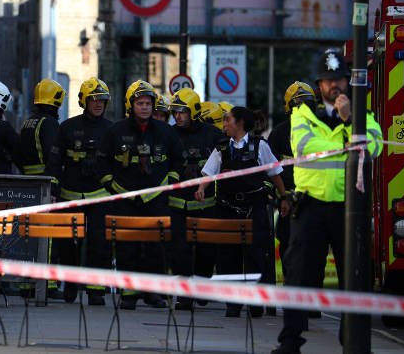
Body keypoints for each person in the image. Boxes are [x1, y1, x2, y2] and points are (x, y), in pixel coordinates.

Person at [271, 51, 383, 354]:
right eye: (328, 80)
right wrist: (347, 143)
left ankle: (354, 343)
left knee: (354, 279)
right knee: (298, 276)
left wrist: (349, 121)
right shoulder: (303, 114)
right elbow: (306, 147)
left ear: (347, 81)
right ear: (319, 84)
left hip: (349, 209)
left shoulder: (362, 113)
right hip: (311, 207)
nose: (334, 85)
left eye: (339, 79)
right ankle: (290, 343)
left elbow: (373, 146)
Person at [97, 80, 185, 310]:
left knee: (156, 247)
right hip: (126, 198)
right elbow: (102, 161)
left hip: (156, 199)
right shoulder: (116, 131)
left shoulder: (165, 131)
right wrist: (112, 186)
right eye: (140, 103)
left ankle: (153, 293)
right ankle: (128, 293)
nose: (145, 107)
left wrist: (171, 181)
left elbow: (178, 158)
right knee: (127, 246)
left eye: (148, 103)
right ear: (131, 105)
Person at [195, 107, 289, 318]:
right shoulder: (221, 148)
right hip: (227, 209)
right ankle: (233, 303)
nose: (224, 124)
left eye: (228, 121)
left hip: (253, 209)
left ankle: (256, 302)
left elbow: (275, 173)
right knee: (228, 256)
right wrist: (201, 189)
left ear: (239, 123)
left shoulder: (260, 146)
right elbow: (209, 173)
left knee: (256, 256)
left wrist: (283, 197)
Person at [46, 77, 113, 305]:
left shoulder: (111, 129)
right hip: (70, 194)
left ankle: (95, 290)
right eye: (93, 99)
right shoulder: (67, 127)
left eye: (102, 100)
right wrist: (53, 187)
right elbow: (54, 161)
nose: (98, 104)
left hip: (100, 196)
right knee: (67, 244)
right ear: (84, 100)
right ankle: (71, 285)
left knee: (98, 243)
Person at [167, 88, 225, 311]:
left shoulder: (212, 134)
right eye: (175, 112)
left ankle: (202, 284)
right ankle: (185, 295)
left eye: (182, 112)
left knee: (206, 251)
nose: (178, 116)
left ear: (193, 111)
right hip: (177, 204)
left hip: (205, 205)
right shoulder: (169, 134)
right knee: (179, 250)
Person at [19, 78, 65, 299]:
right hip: (46, 185)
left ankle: (27, 284)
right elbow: (53, 155)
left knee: (29, 234)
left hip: (28, 184)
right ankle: (48, 284)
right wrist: (55, 183)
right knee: (47, 235)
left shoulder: (28, 121)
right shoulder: (49, 124)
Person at [267, 82, 315, 282]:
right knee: (288, 245)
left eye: (308, 104)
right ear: (289, 109)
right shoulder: (279, 134)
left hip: (315, 200)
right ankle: (293, 288)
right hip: (289, 201)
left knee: (314, 249)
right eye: (298, 105)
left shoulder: (321, 130)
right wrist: (278, 198)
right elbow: (267, 170)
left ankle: (312, 296)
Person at [19, 79, 64, 176]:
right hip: (44, 178)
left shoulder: (27, 122)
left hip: (27, 178)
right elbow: (52, 154)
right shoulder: (49, 122)